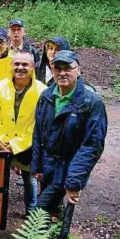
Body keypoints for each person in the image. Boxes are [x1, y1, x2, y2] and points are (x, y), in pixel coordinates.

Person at [31, 50, 107, 223]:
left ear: (78, 70)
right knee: (51, 215)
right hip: (47, 165)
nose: (62, 72)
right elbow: (38, 132)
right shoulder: (47, 96)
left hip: (68, 168)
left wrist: (73, 182)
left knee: (37, 214)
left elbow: (92, 146)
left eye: (67, 68)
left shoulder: (91, 103)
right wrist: (37, 165)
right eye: (57, 68)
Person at [0, 50, 47, 216]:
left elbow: (39, 124)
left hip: (28, 144)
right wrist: (3, 141)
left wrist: (16, 144)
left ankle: (31, 214)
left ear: (33, 67)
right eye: (17, 64)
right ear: (11, 65)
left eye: (25, 64)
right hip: (2, 143)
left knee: (30, 180)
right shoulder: (0, 87)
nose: (20, 67)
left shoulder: (42, 91)